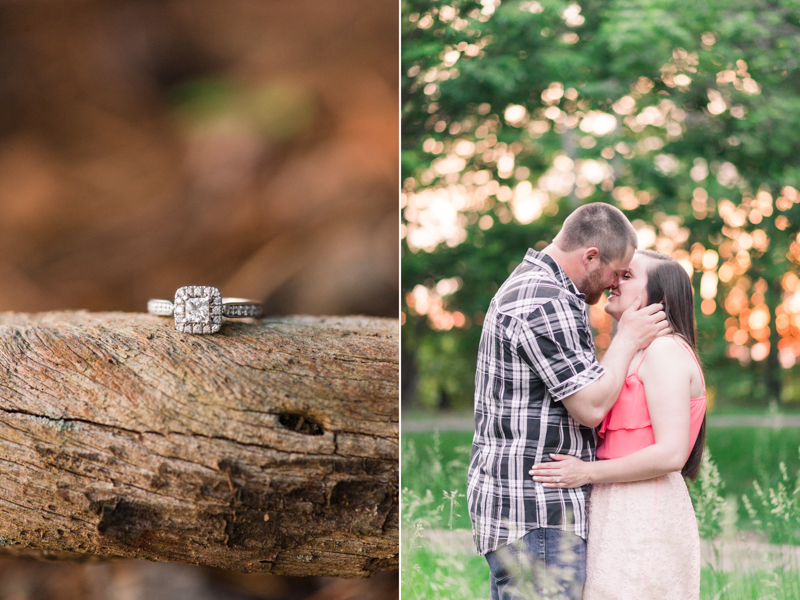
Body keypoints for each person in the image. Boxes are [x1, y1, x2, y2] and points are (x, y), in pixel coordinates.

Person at [466, 203, 671, 600]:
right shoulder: (547, 301)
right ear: (590, 256)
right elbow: (591, 407)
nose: (615, 284)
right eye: (616, 272)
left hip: (527, 512)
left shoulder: (538, 288)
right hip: (539, 512)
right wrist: (627, 338)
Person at [529, 250, 706, 599]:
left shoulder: (665, 352)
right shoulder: (638, 352)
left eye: (627, 277)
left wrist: (586, 472)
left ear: (659, 299)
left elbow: (671, 454)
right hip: (620, 501)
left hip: (645, 504)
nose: (613, 282)